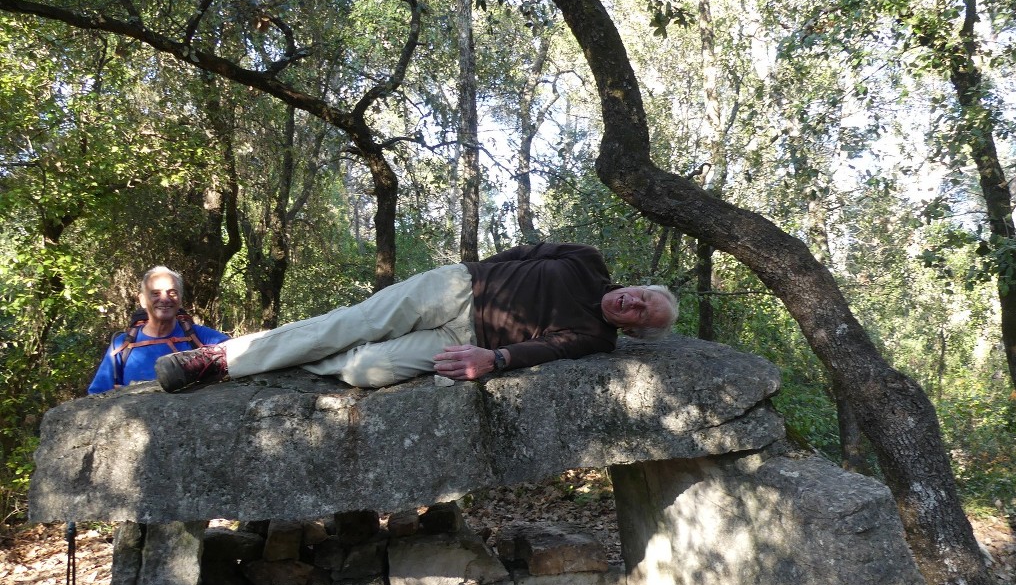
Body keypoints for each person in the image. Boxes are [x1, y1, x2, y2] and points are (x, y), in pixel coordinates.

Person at [155, 243, 678, 393]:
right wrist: (481, 275)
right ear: (635, 285)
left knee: (363, 370)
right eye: (640, 296)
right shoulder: (585, 261)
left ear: (632, 329)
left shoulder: (595, 338)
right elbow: (523, 253)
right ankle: (220, 360)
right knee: (351, 323)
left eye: (640, 314)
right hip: (455, 288)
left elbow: (552, 349)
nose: (632, 305)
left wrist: (492, 358)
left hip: (466, 337)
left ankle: (287, 355)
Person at [87, 266, 230, 394]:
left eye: (172, 293)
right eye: (155, 293)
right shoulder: (122, 345)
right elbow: (97, 395)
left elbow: (238, 352)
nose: (165, 299)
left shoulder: (199, 336)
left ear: (180, 299)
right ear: (143, 300)